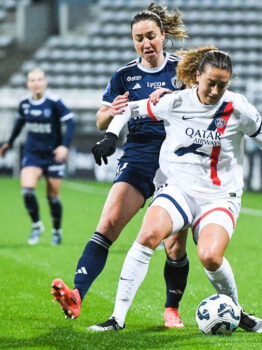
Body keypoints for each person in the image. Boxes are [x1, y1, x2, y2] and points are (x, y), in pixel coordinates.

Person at [88, 48, 262, 332]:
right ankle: (117, 318)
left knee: (210, 256)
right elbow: (128, 109)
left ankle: (237, 312)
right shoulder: (175, 101)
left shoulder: (238, 108)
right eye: (210, 82)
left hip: (219, 198)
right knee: (148, 234)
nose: (214, 90)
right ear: (197, 76)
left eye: (222, 85)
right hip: (179, 190)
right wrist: (111, 136)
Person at [51, 3, 190, 328]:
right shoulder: (124, 75)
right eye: (139, 38)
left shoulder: (183, 70)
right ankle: (77, 296)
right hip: (139, 154)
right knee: (108, 224)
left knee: (173, 245)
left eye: (151, 36)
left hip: (177, 159)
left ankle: (172, 309)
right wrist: (110, 114)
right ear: (133, 41)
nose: (146, 44)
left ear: (163, 35)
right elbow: (103, 119)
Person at [0, 68, 75, 245]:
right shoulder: (24, 103)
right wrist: (8, 144)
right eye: (32, 80)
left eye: (39, 79)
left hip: (53, 156)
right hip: (32, 154)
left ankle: (56, 231)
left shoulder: (54, 102)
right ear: (28, 84)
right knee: (27, 189)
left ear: (45, 82)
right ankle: (37, 226)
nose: (36, 83)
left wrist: (64, 146)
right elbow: (19, 124)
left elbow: (71, 122)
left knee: (53, 197)